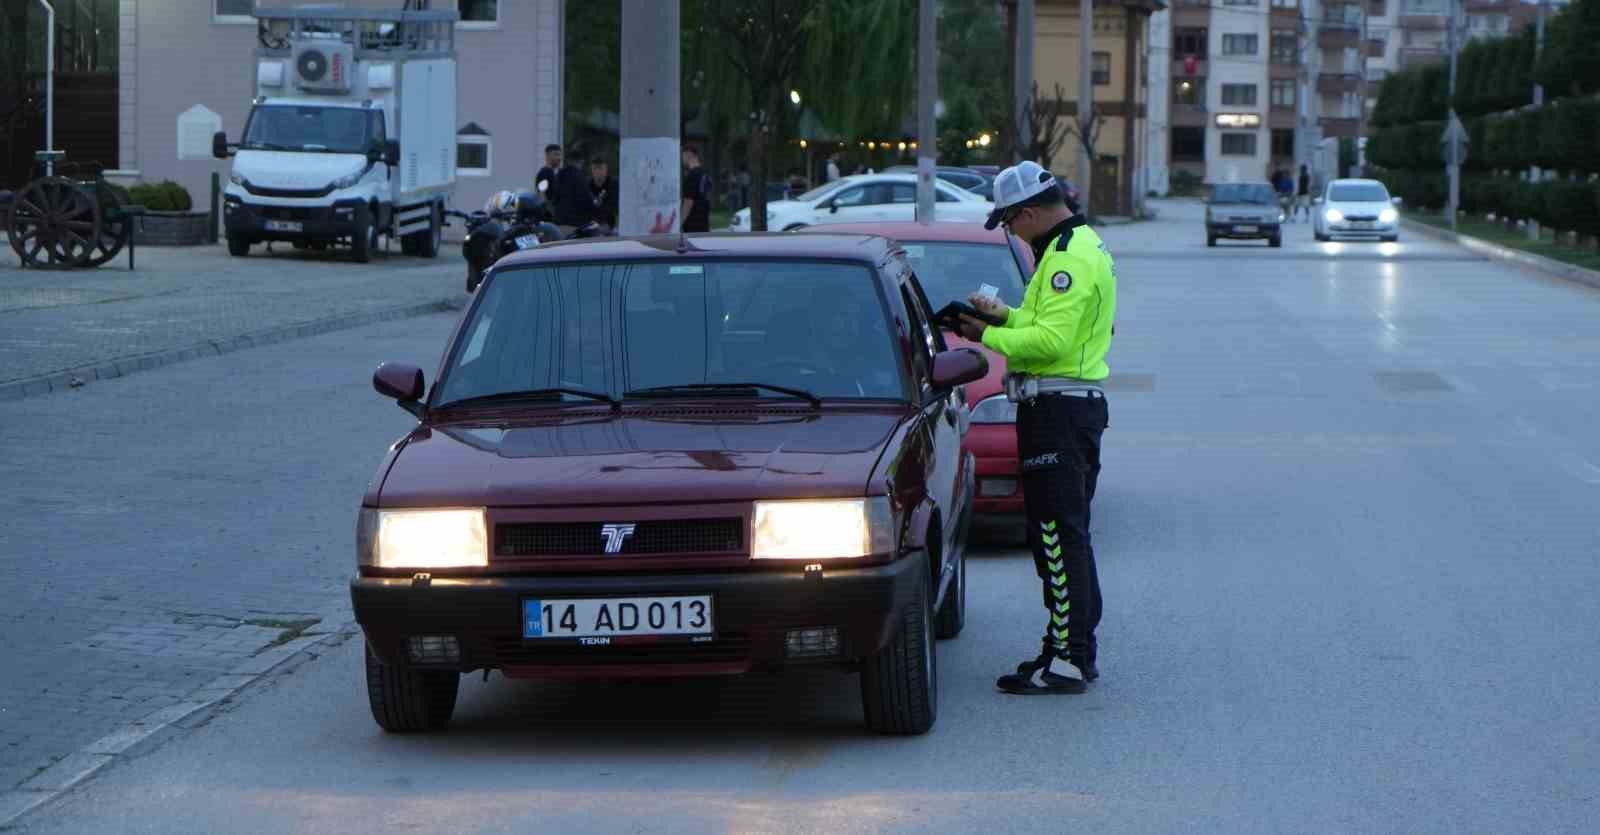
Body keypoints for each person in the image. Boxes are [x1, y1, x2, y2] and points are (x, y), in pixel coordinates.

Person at [956, 161, 1116, 696]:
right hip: (1062, 408)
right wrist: (1002, 317)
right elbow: (1043, 325)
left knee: (1057, 534)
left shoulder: (1068, 258)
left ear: (1028, 213)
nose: (1009, 232)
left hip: (1059, 411)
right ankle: (1064, 647)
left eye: (1008, 222)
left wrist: (987, 337)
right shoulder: (1070, 249)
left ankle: (1070, 658)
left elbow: (1052, 344)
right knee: (1057, 534)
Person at [681, 145, 713, 233]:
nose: (682, 159)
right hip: (704, 223)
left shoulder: (691, 176)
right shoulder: (705, 175)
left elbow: (688, 202)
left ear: (688, 155)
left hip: (692, 224)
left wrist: (680, 223)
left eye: (683, 156)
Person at [584, 157, 619, 228]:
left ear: (606, 169)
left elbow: (612, 206)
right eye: (595, 168)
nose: (597, 171)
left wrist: (598, 221)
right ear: (591, 170)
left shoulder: (612, 184)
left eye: (600, 168)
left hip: (606, 223)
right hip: (589, 222)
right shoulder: (587, 185)